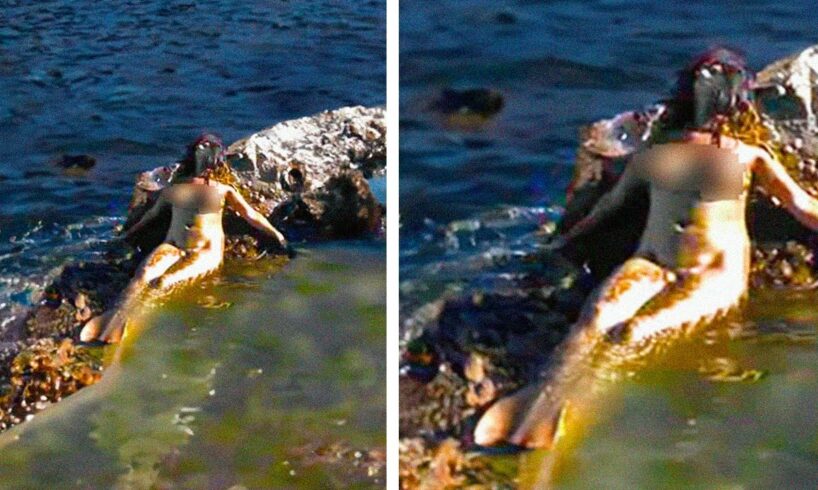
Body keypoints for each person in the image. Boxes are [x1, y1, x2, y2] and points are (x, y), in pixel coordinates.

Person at [474, 47, 818, 448]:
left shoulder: (748, 156)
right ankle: (540, 399)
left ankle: (581, 411)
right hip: (651, 261)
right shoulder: (652, 155)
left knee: (635, 332)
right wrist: (565, 239)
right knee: (597, 317)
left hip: (715, 273)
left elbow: (802, 205)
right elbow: (608, 208)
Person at [80, 134, 288, 344]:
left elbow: (251, 215)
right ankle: (116, 315)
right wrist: (128, 234)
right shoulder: (174, 189)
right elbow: (150, 217)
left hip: (206, 251)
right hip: (173, 245)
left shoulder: (222, 190)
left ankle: (135, 322)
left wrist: (277, 235)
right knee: (142, 275)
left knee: (162, 282)